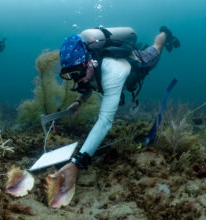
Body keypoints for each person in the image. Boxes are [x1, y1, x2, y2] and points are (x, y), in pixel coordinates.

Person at [51, 26, 180, 193]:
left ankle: (164, 34)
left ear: (90, 62)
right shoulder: (87, 68)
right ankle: (140, 46)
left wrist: (76, 163)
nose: (77, 79)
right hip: (112, 64)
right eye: (69, 75)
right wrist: (79, 100)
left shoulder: (112, 72)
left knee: (155, 50)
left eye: (77, 72)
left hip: (134, 63)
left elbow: (104, 122)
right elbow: (89, 81)